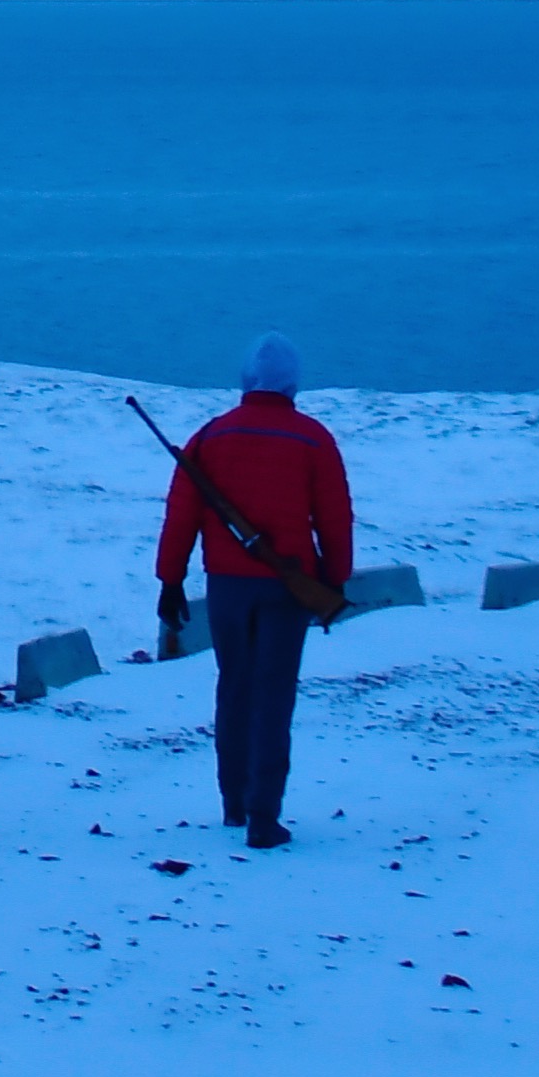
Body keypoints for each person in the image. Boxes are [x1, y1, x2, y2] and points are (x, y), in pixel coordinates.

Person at [156, 332, 351, 849]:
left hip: (226, 587)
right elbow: (334, 519)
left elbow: (182, 514)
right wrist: (334, 581)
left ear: (245, 379)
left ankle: (233, 803)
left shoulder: (212, 436)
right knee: (274, 697)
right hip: (287, 591)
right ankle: (265, 816)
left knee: (234, 687)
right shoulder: (314, 439)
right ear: (293, 382)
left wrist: (170, 581)